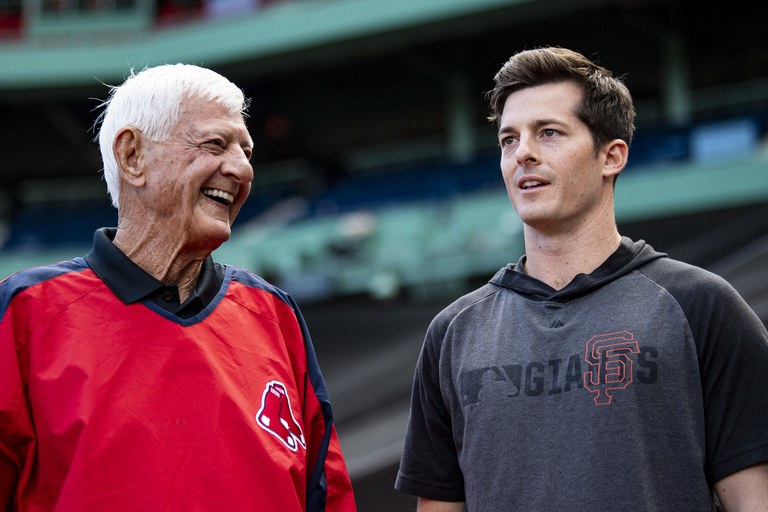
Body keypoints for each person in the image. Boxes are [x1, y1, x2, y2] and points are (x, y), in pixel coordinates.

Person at [394, 47, 768, 511]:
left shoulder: (702, 307)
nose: (523, 153)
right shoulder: (453, 332)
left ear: (611, 156)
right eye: (509, 139)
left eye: (548, 133)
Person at [0, 63, 356, 511]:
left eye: (246, 151)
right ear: (133, 156)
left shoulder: (273, 312)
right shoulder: (25, 312)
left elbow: (327, 495)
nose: (242, 169)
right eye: (215, 144)